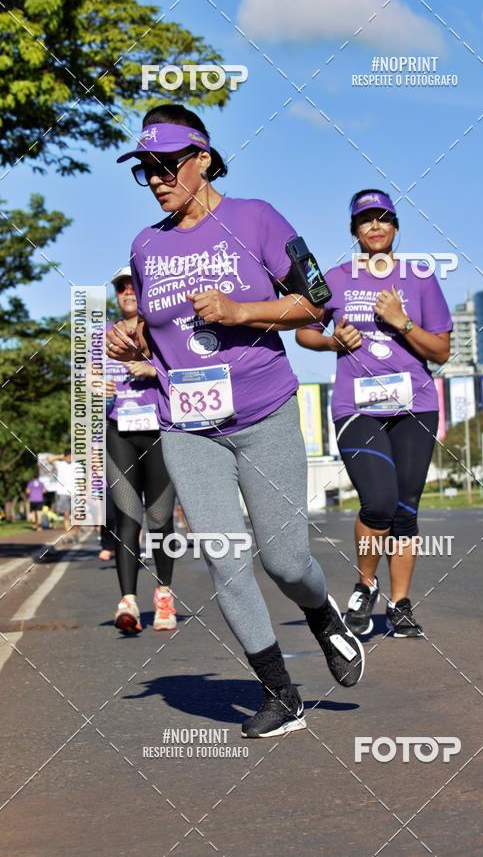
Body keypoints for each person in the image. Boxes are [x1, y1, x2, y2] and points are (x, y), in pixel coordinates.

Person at [108, 103, 365, 738]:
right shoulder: (147, 246)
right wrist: (131, 338)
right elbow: (159, 326)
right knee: (225, 557)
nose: (159, 178)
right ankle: (280, 694)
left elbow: (318, 300)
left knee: (283, 560)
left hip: (263, 410)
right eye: (146, 170)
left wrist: (240, 311)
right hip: (187, 424)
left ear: (203, 157)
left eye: (168, 165)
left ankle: (321, 613)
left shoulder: (255, 218)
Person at [296, 189, 452, 638]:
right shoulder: (336, 278)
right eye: (365, 220)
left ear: (396, 227)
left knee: (405, 509)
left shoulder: (419, 278)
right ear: (354, 231)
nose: (375, 226)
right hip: (356, 406)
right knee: (379, 501)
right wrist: (332, 341)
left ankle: (400, 604)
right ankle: (365, 585)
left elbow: (440, 350)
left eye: (383, 218)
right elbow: (305, 332)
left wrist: (402, 320)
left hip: (415, 406)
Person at [102, 267, 177, 633]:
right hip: (120, 431)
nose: (127, 292)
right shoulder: (103, 336)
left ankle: (164, 594)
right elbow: (89, 379)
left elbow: (186, 372)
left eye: (133, 286)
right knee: (127, 519)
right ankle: (127, 601)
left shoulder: (163, 332)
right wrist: (95, 384)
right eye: (121, 288)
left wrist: (152, 370)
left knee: (161, 520)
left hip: (160, 431)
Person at [47, 449, 77, 541]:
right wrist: (61, 456)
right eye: (68, 456)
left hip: (75, 492)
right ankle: (68, 532)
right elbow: (50, 459)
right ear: (65, 457)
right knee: (66, 514)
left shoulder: (76, 465)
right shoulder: (60, 464)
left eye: (71, 456)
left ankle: (75, 531)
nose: (69, 458)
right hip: (63, 492)